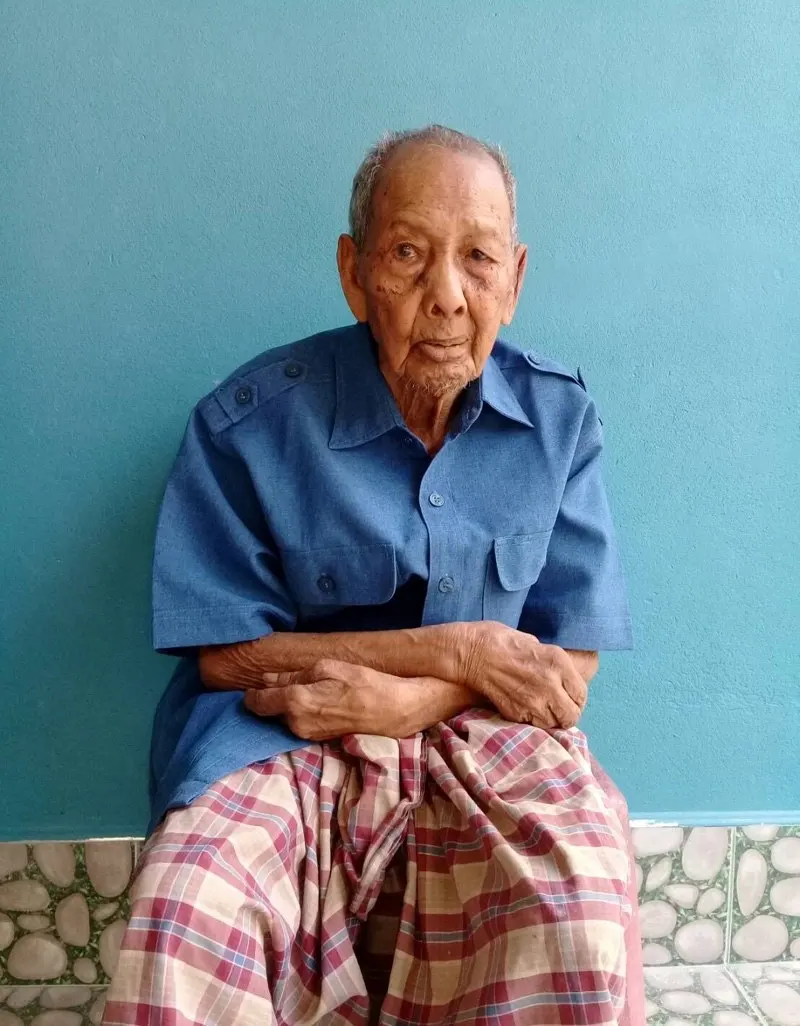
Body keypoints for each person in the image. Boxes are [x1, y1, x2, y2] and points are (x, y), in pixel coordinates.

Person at [103, 125, 644, 1026]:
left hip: (485, 730)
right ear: (354, 273)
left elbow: (566, 671)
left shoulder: (561, 421)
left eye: (478, 259)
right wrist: (458, 650)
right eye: (407, 254)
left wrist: (415, 699)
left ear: (514, 280)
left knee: (580, 908)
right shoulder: (247, 423)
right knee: (188, 913)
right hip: (278, 731)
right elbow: (227, 658)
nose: (447, 296)